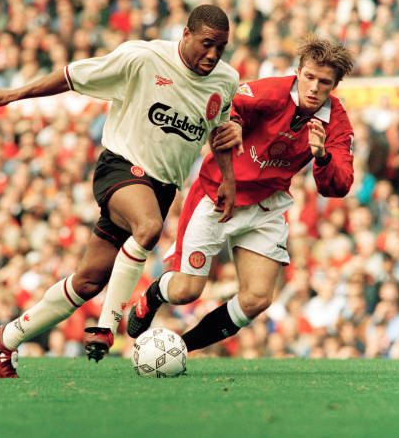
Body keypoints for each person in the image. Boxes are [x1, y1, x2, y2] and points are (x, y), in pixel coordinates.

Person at [0, 4, 240, 377]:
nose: (213, 55)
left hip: (162, 189)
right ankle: (107, 325)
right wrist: (15, 94)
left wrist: (228, 180)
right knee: (148, 229)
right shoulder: (142, 58)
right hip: (120, 168)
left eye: (221, 48)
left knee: (88, 280)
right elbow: (71, 76)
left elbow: (220, 132)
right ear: (186, 34)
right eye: (207, 44)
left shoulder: (225, 81)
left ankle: (8, 337)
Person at [127, 35, 355, 354]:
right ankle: (152, 297)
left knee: (257, 298)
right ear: (299, 71)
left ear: (335, 85)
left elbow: (339, 185)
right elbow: (228, 105)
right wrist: (233, 124)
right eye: (310, 77)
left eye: (325, 82)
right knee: (185, 291)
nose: (315, 87)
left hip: (267, 203)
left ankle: (180, 347)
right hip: (217, 194)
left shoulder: (336, 122)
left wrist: (323, 157)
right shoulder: (271, 91)